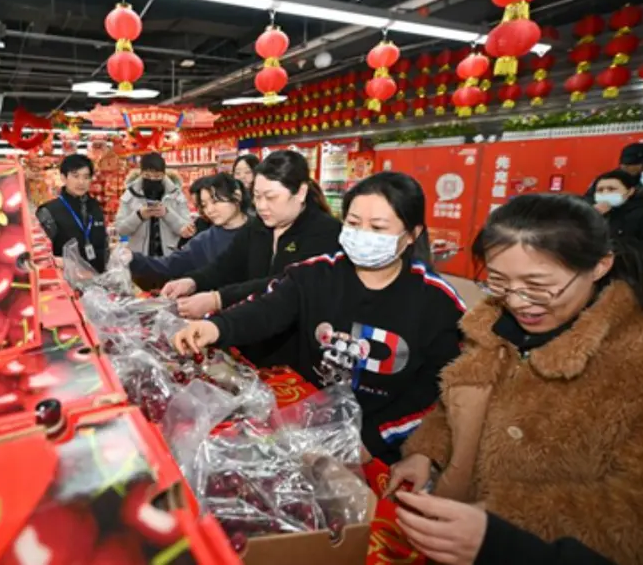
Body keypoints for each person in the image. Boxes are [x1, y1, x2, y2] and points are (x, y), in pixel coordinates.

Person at [390, 193, 643, 565]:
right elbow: (456, 402)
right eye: (498, 281)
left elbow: (640, 511)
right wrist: (426, 452)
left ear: (599, 266)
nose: (516, 302)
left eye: (538, 285)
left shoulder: (641, 358)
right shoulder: (491, 329)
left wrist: (503, 529)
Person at [172, 172, 465, 464]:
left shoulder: (438, 302)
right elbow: (267, 308)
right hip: (311, 423)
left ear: (411, 234)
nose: (363, 234)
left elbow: (437, 388)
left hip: (387, 445)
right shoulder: (315, 274)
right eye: (353, 223)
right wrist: (216, 327)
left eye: (377, 227)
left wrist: (374, 440)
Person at [161, 149, 341, 328]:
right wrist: (192, 281)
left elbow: (283, 285)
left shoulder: (325, 232)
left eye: (270, 197)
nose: (261, 206)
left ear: (300, 192)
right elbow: (226, 265)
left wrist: (218, 299)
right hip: (251, 330)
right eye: (257, 196)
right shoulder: (258, 226)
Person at [393, 492, 615, 565]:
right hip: (463, 517)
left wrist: (497, 542)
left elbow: (617, 509)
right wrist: (425, 452)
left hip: (531, 538)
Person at [128, 173, 250, 286]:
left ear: (237, 196)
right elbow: (169, 265)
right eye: (204, 205)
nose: (209, 210)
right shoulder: (205, 241)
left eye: (215, 201)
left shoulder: (258, 231)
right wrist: (132, 258)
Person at [35, 154, 108, 272]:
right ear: (63, 178)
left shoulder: (96, 206)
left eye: (86, 177)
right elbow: (42, 253)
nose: (81, 182)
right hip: (66, 278)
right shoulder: (48, 211)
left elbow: (103, 243)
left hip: (98, 276)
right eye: (75, 176)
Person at [115, 152, 192, 257]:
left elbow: (187, 229)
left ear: (163, 174)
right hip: (140, 258)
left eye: (157, 176)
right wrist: (139, 216)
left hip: (169, 257)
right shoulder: (131, 195)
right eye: (147, 175)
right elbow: (121, 230)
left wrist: (167, 214)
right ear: (141, 173)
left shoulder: (176, 195)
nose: (152, 180)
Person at [593, 170, 643, 262]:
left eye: (611, 189)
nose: (605, 193)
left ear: (630, 191)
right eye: (600, 190)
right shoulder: (595, 213)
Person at [586, 142, 643, 207]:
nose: (626, 167)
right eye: (624, 164)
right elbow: (588, 199)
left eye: (633, 164)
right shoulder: (606, 179)